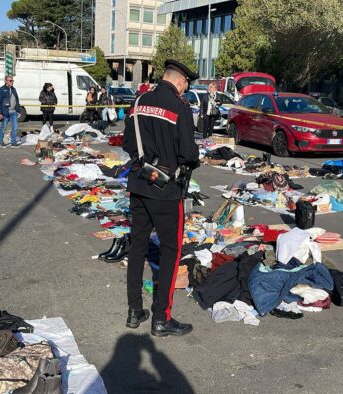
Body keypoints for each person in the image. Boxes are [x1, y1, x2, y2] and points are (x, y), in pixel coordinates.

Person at [122, 59, 200, 337]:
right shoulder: (180, 107)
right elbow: (189, 154)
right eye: (186, 85)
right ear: (180, 82)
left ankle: (134, 310)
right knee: (170, 251)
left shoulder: (139, 101)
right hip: (166, 190)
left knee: (138, 247)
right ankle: (161, 318)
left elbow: (128, 142)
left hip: (139, 182)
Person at [0, 75, 20, 148]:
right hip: (5, 112)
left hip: (13, 112)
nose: (12, 82)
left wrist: (17, 110)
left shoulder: (14, 89)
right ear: (6, 81)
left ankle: (13, 143)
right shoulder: (2, 89)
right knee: (3, 127)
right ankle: (0, 142)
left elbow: (17, 99)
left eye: (12, 80)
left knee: (15, 128)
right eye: (10, 81)